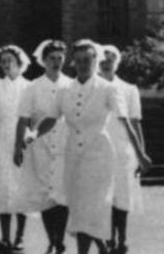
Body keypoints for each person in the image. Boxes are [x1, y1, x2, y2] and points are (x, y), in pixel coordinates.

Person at [40, 40, 121, 254]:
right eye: (79, 61)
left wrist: (140, 153)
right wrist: (31, 138)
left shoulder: (107, 88)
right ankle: (101, 246)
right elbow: (51, 118)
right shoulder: (65, 89)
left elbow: (124, 120)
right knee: (78, 207)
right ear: (73, 63)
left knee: (93, 204)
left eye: (88, 60)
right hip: (73, 154)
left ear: (96, 61)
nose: (84, 64)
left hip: (99, 154)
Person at [15, 39, 72, 254]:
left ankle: (60, 238)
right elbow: (22, 118)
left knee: (62, 193)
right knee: (45, 195)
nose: (56, 62)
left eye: (60, 58)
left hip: (66, 143)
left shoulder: (70, 84)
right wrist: (17, 146)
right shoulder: (33, 87)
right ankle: (53, 239)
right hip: (40, 144)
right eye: (52, 59)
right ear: (43, 61)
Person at [99, 46, 152, 254]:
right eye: (102, 58)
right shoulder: (95, 87)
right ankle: (108, 238)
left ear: (117, 62)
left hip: (123, 150)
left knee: (122, 197)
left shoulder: (129, 89)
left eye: (111, 58)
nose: (106, 62)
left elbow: (136, 123)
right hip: (100, 149)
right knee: (104, 198)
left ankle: (122, 240)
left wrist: (140, 154)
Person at [0, 45, 30, 253]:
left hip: (21, 139)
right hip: (0, 139)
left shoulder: (28, 87)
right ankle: (5, 237)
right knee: (2, 188)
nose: (6, 63)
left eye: (10, 59)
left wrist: (26, 140)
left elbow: (32, 118)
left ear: (19, 62)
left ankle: (19, 236)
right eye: (3, 60)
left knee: (20, 189)